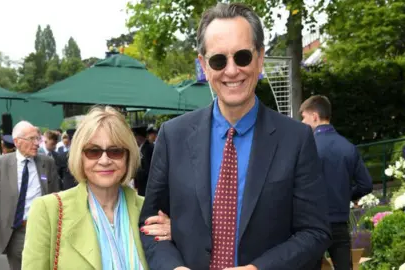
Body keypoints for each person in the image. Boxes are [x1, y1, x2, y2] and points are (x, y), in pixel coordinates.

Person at [139, 3, 331, 270]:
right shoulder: (173, 136)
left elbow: (315, 232)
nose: (231, 71)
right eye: (219, 60)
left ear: (260, 58)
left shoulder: (296, 139)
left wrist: (258, 269)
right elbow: (150, 225)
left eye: (242, 57)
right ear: (203, 65)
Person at [22, 106, 172, 269]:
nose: (105, 160)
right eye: (93, 151)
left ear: (128, 156)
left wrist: (176, 237)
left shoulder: (150, 211)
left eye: (115, 151)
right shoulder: (48, 211)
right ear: (80, 156)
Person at [300, 95, 373, 270]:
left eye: (304, 117)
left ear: (315, 116)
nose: (302, 122)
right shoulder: (348, 147)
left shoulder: (306, 146)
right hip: (340, 223)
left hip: (313, 225)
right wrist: (344, 194)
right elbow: (366, 184)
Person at [0, 121, 61, 270]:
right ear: (17, 142)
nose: (37, 143)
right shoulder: (1, 163)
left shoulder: (47, 163)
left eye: (38, 139)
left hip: (42, 228)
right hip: (16, 231)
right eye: (32, 139)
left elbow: (57, 196)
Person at [132, 125, 154, 196]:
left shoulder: (147, 149)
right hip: (142, 186)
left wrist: (135, 171)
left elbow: (148, 169)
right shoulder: (143, 148)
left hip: (146, 187)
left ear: (138, 137)